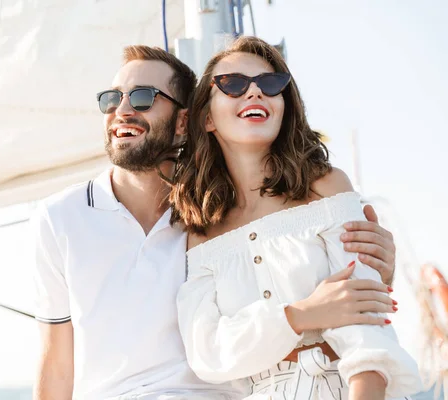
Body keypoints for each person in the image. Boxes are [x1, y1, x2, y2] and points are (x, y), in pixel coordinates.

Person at [32, 44, 400, 400]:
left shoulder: (202, 215)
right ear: (207, 118)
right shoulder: (64, 217)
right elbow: (57, 366)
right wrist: (302, 314)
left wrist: (379, 269)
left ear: (183, 121)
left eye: (143, 97)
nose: (123, 110)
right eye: (112, 99)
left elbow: (361, 317)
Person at [170, 36, 422, 399]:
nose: (255, 93)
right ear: (207, 118)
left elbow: (369, 332)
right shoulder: (202, 231)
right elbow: (208, 353)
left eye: (270, 84)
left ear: (284, 104)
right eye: (234, 84)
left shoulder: (327, 188)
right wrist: (301, 314)